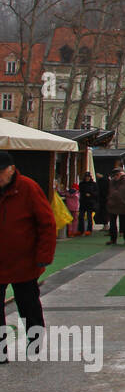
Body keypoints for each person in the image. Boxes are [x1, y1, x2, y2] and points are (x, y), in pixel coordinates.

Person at [0, 151, 57, 363]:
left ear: (11, 170)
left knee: (29, 305)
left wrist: (44, 254)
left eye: (0, 174)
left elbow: (46, 223)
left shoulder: (28, 188)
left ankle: (34, 345)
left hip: (24, 261)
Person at [105, 165, 125, 245]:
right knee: (112, 224)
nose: (115, 177)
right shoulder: (111, 182)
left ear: (120, 174)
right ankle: (113, 239)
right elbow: (108, 191)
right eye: (114, 175)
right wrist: (109, 200)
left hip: (123, 206)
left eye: (117, 175)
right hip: (112, 205)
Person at [77, 171, 97, 235]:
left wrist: (91, 194)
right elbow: (80, 191)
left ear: (90, 177)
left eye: (88, 177)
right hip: (83, 201)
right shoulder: (82, 184)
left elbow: (96, 193)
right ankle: (81, 230)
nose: (87, 178)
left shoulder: (93, 184)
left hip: (90, 202)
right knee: (81, 216)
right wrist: (84, 194)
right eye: (86, 177)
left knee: (89, 217)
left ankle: (89, 230)